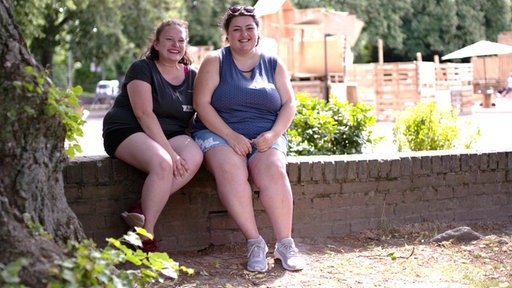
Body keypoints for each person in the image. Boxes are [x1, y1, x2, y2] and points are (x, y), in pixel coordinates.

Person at [192, 5, 304, 272]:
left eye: (249, 28)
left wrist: (273, 134)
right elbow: (201, 104)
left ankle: (285, 244)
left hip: (265, 134)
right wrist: (230, 136)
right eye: (236, 29)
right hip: (219, 133)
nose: (243, 34)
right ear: (227, 35)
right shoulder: (214, 60)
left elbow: (289, 104)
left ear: (258, 32)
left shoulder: (274, 63)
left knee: (275, 171)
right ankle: (255, 243)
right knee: (230, 169)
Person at [102, 19, 203, 253]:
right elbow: (144, 114)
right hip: (129, 128)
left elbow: (197, 114)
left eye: (181, 41)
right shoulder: (142, 68)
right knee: (163, 163)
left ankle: (140, 209)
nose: (176, 45)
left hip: (171, 133)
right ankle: (146, 236)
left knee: (195, 157)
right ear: (157, 44)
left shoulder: (193, 76)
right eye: (169, 39)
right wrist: (171, 153)